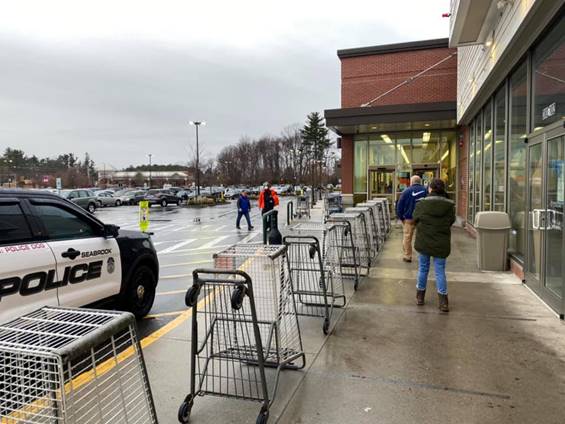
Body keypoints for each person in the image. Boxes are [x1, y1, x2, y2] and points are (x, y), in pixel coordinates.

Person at [413, 178, 455, 313]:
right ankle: (443, 302)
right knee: (440, 271)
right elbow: (451, 221)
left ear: (430, 189)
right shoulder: (449, 205)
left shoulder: (422, 204)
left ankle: (420, 297)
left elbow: (414, 218)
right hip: (441, 243)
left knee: (423, 269)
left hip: (424, 241)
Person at [396, 175, 427, 262]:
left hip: (409, 218)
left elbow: (400, 206)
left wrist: (401, 218)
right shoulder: (425, 191)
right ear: (420, 181)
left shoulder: (406, 191)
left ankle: (407, 256)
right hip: (422, 218)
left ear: (411, 182)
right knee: (423, 237)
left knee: (407, 238)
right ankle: (423, 256)